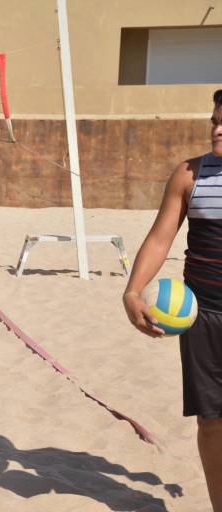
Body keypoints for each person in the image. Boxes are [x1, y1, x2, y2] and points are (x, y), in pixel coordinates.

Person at [123, 89, 222, 512]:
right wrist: (132, 292)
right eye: (214, 120)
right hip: (205, 317)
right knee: (212, 421)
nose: (217, 129)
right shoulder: (190, 174)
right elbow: (161, 238)